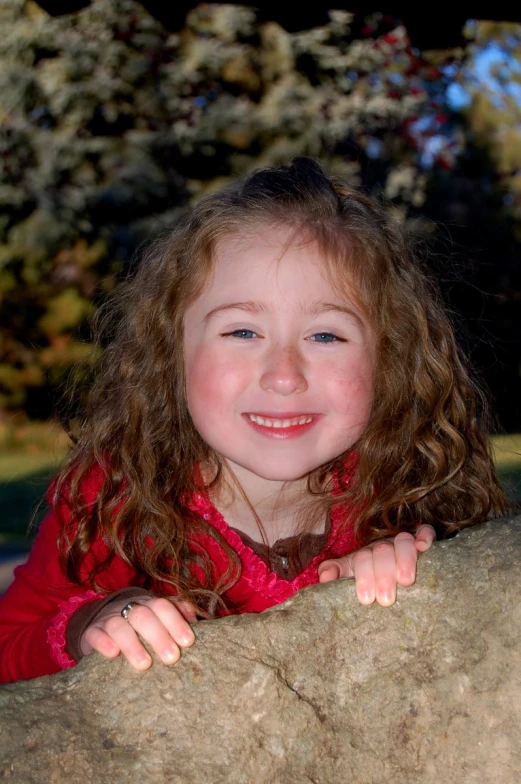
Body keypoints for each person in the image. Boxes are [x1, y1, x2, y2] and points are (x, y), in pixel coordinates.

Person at [0, 157, 510, 684]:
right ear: (172, 351)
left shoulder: (415, 487)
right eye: (242, 332)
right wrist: (90, 623)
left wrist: (419, 580)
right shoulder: (112, 495)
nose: (284, 376)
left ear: (391, 360)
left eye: (326, 336)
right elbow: (7, 647)